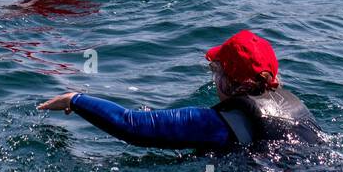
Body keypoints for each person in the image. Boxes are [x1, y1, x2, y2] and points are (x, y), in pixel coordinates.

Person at [37, 30, 321, 152]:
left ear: (225, 81)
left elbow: (133, 126)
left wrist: (76, 99)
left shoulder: (217, 125)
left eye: (215, 71)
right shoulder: (294, 109)